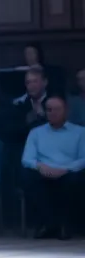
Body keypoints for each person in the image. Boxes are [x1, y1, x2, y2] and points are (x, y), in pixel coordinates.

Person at [20, 95, 85, 240]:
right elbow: (27, 159)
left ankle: (64, 225)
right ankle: (50, 223)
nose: (52, 113)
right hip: (43, 171)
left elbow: (83, 158)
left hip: (68, 171)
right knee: (27, 176)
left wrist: (65, 169)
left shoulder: (80, 132)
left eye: (57, 109)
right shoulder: (36, 132)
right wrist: (41, 166)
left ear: (66, 111)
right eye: (49, 110)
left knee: (76, 179)